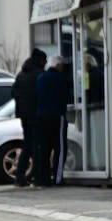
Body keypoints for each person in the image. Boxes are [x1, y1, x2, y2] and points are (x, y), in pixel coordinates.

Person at [9, 50, 47, 187]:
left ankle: (20, 177)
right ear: (41, 61)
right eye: (44, 61)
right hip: (37, 116)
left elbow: (13, 93)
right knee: (37, 146)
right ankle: (37, 176)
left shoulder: (21, 75)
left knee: (28, 146)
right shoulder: (40, 75)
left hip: (24, 116)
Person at [33, 55, 72, 187]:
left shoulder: (40, 78)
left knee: (44, 149)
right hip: (56, 116)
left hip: (40, 117)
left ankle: (43, 179)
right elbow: (65, 96)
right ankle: (58, 178)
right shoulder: (60, 78)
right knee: (60, 148)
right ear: (58, 65)